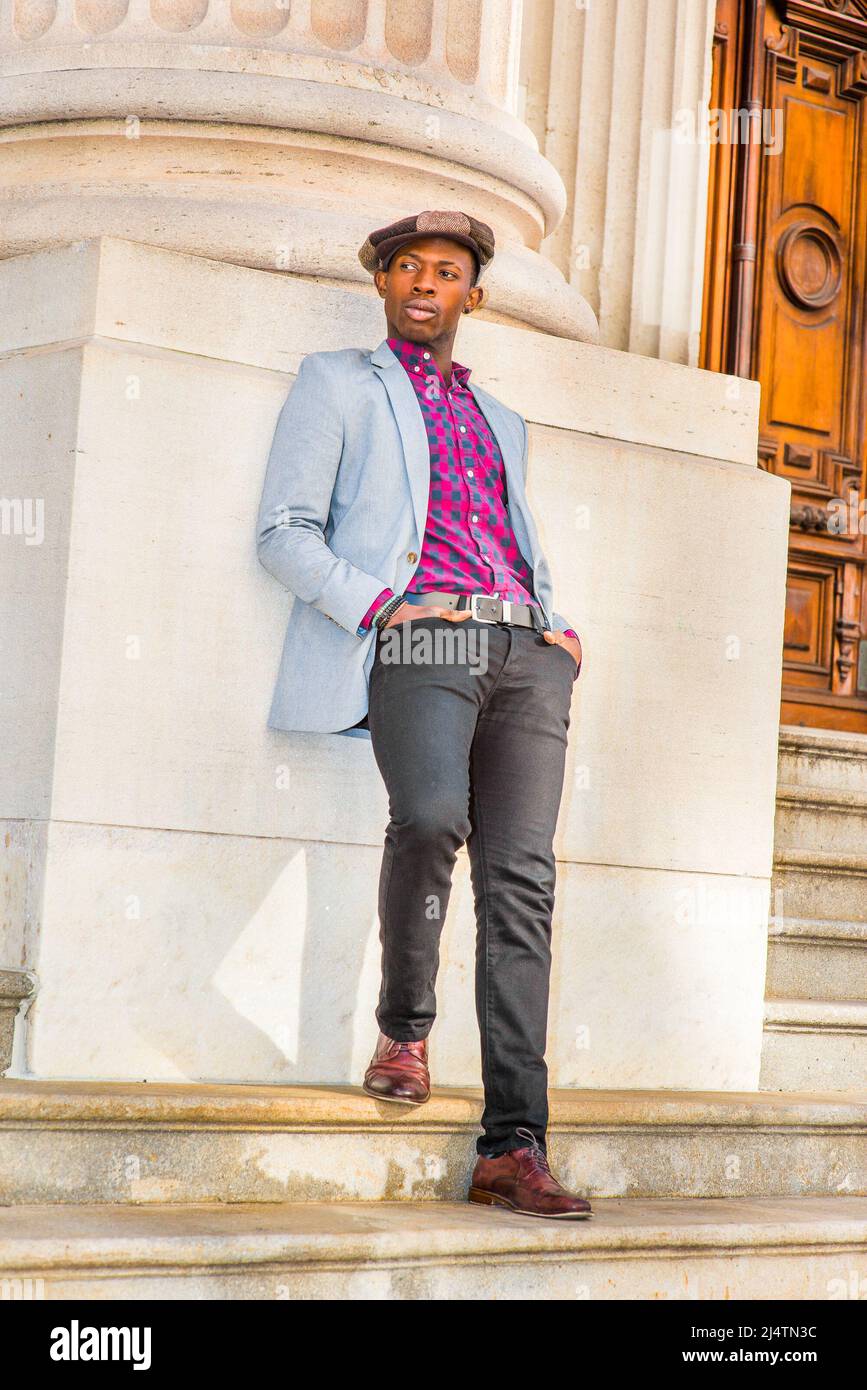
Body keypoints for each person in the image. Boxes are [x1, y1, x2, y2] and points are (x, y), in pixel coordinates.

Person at [256, 209, 592, 1219]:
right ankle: (406, 1024)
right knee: (435, 813)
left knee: (522, 880)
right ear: (384, 286)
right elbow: (283, 530)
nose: (423, 283)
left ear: (472, 297)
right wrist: (384, 605)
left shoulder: (506, 422)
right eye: (407, 268)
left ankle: (513, 1144)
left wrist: (559, 630)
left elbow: (513, 541)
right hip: (422, 635)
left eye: (445, 272)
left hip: (526, 651)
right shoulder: (336, 383)